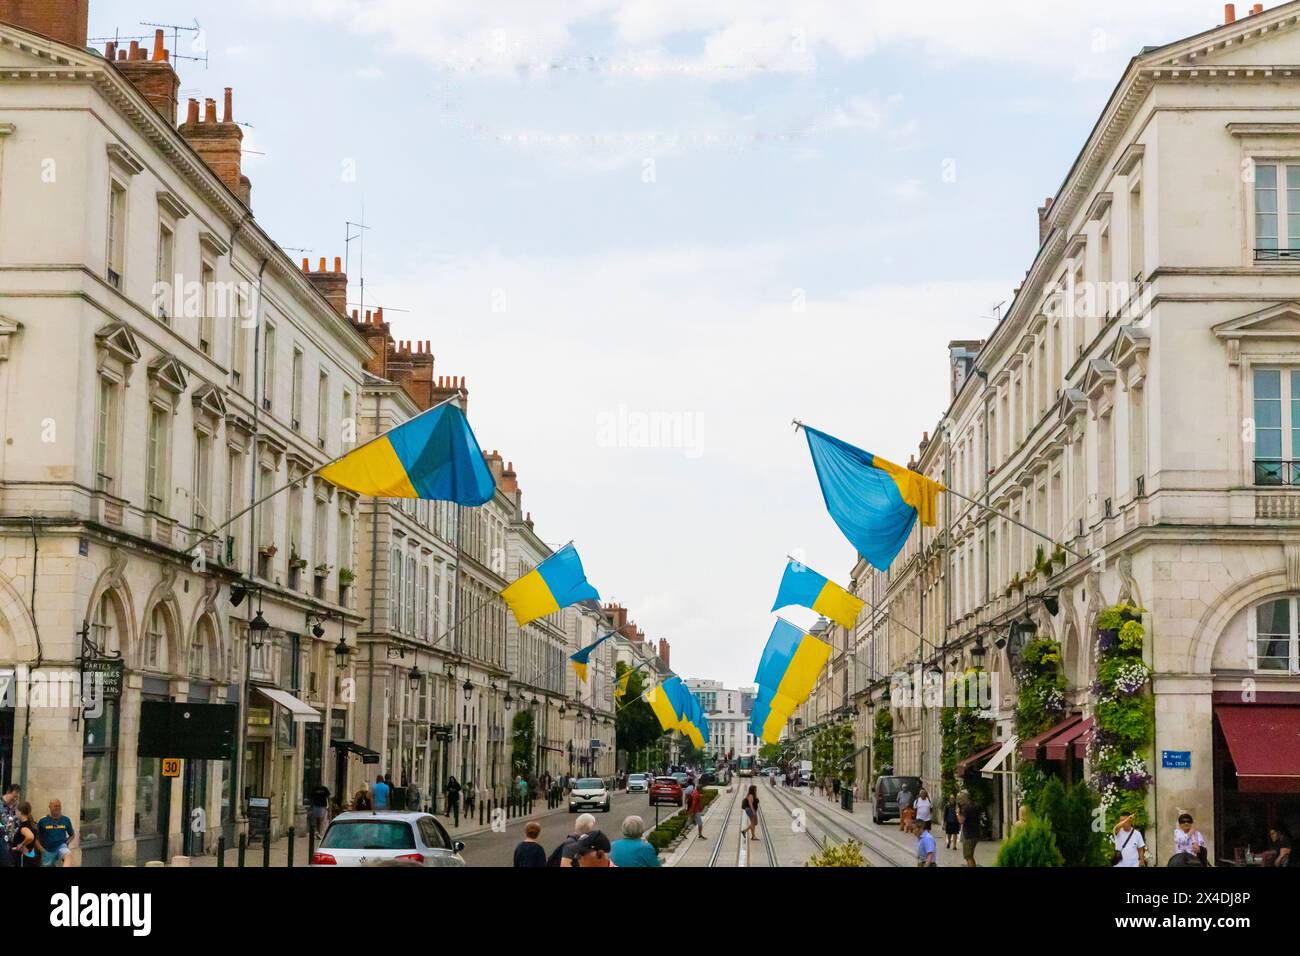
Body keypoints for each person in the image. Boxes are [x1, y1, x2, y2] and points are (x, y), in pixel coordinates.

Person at [36, 799, 75, 867]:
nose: (57, 808)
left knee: (68, 855)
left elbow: (72, 835)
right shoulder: (43, 821)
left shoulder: (66, 820)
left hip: (61, 846)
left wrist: (66, 843)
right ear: (50, 807)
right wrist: (42, 850)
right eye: (55, 806)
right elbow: (35, 838)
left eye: (59, 806)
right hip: (47, 851)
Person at [10, 802, 40, 868]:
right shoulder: (30, 823)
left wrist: (21, 845)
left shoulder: (24, 826)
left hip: (24, 858)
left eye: (16, 810)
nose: (15, 813)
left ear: (20, 812)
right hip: (28, 856)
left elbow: (30, 837)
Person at [957, 792, 981, 867]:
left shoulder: (966, 808)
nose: (959, 801)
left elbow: (961, 821)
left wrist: (957, 813)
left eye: (960, 799)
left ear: (964, 799)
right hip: (975, 833)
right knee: (969, 855)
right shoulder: (973, 806)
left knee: (968, 856)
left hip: (969, 835)